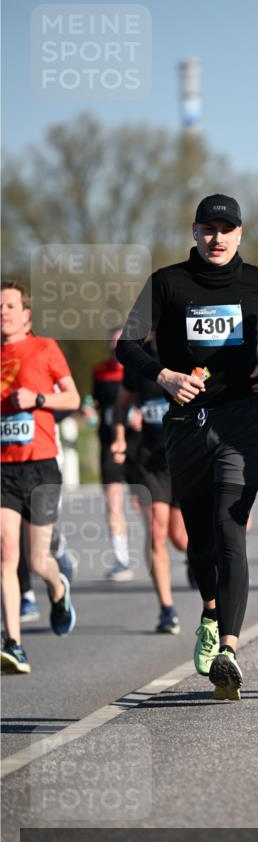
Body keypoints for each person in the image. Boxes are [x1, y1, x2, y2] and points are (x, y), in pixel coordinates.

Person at [116, 194, 258, 699]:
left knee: (229, 527)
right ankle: (211, 614)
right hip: (184, 425)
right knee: (199, 540)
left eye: (227, 229)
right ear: (194, 232)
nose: (217, 238)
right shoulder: (168, 283)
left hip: (239, 420)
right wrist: (165, 375)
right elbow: (126, 345)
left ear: (240, 233)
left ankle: (230, 651)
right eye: (208, 229)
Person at [1, 281, 79, 673]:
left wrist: (38, 400)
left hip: (42, 467)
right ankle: (13, 643)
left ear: (26, 314)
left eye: (10, 306)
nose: (3, 312)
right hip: (3, 469)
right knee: (6, 553)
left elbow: (74, 398)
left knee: (36, 561)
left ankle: (57, 585)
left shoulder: (45, 347)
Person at [110, 340, 188, 634]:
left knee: (181, 539)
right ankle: (167, 609)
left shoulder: (187, 349)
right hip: (150, 461)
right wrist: (119, 435)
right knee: (156, 533)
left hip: (184, 456)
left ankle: (194, 559)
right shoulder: (138, 358)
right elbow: (121, 404)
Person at [84, 328, 139, 581]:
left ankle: (186, 551)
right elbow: (95, 402)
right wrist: (90, 412)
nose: (117, 345)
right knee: (113, 502)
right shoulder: (99, 371)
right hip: (109, 444)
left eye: (122, 341)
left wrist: (140, 414)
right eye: (113, 341)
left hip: (139, 445)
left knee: (148, 505)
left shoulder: (141, 368)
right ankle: (122, 560)